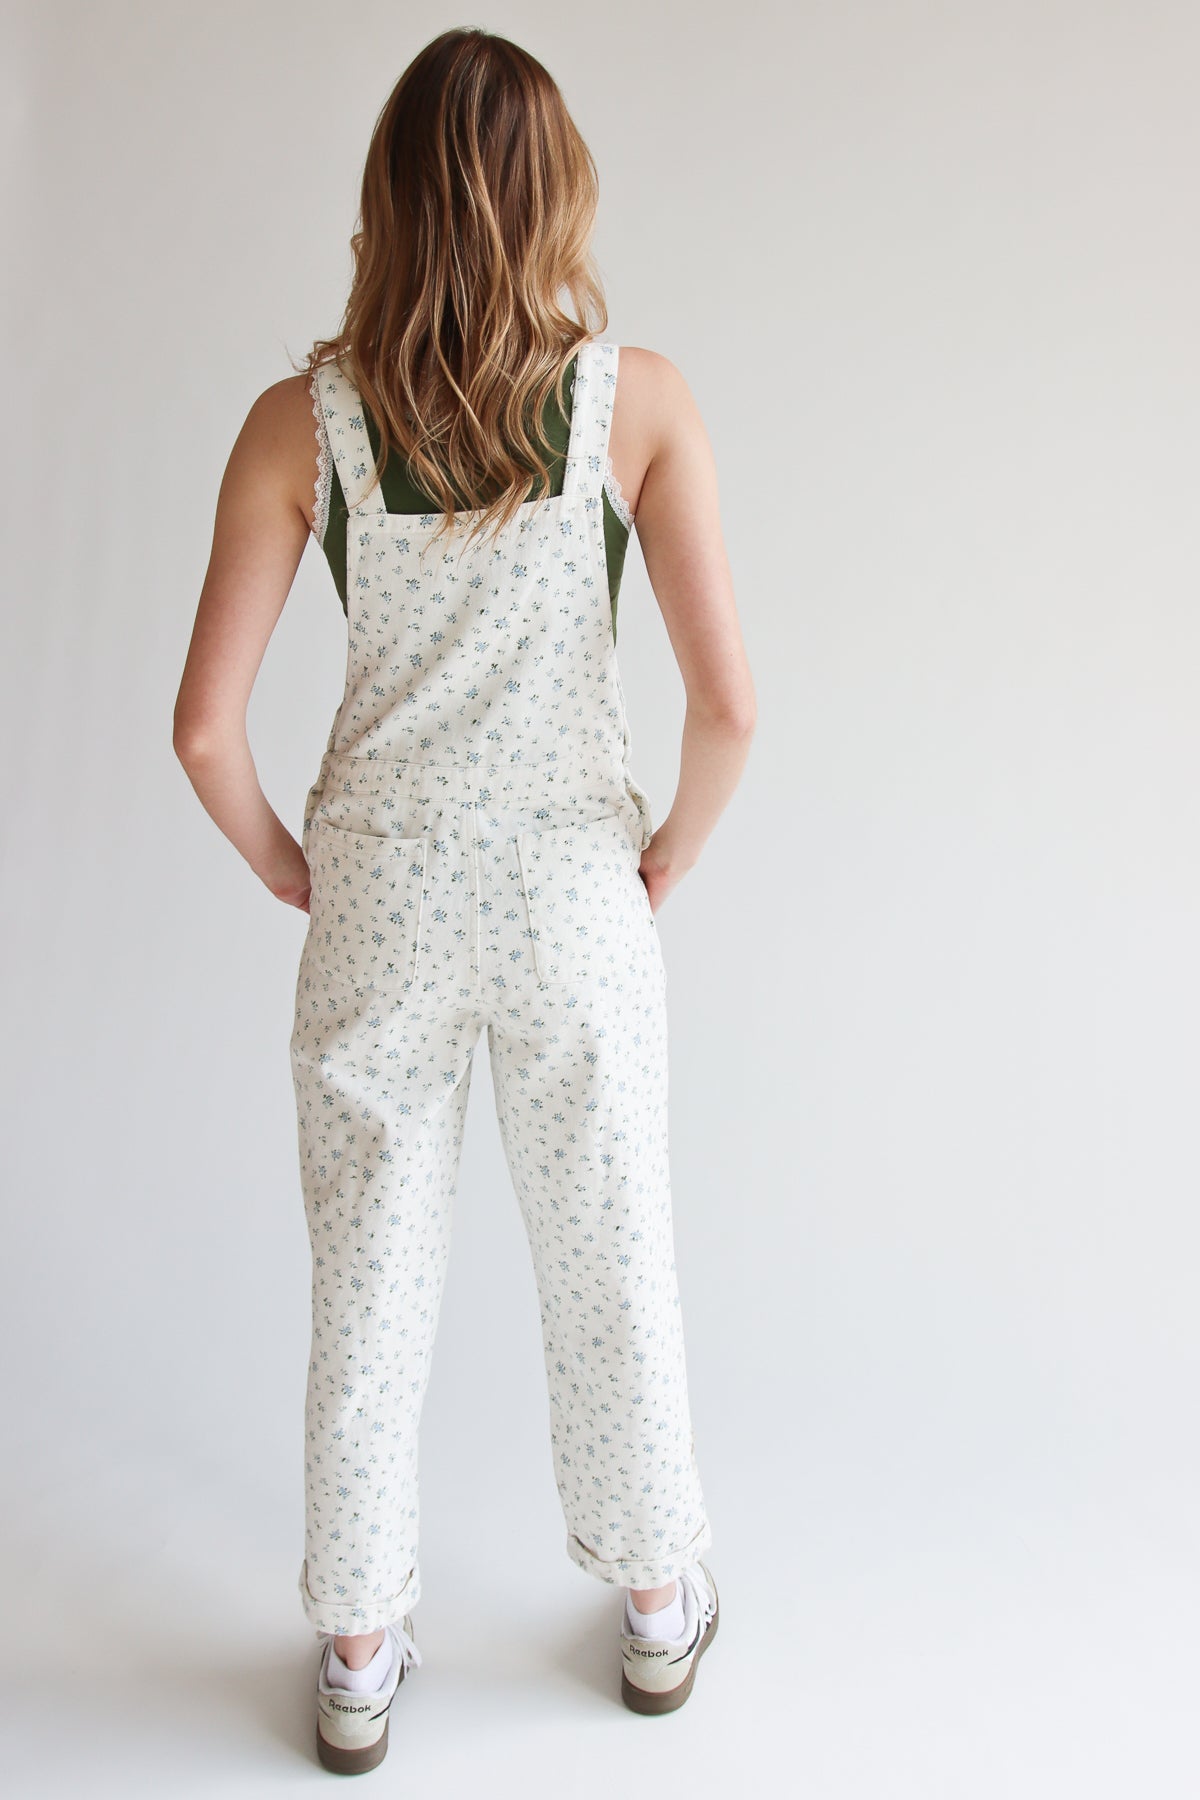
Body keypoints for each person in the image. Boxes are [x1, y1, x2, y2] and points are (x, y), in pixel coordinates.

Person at [173, 25, 755, 1775]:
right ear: (557, 193)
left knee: (369, 1278)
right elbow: (733, 710)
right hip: (578, 895)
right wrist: (659, 860)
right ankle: (660, 1606)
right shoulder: (633, 402)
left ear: (387, 204)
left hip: (382, 898)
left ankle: (356, 1647)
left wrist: (295, 858)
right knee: (611, 1258)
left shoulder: (302, 421)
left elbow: (203, 727)